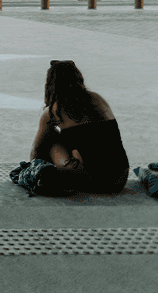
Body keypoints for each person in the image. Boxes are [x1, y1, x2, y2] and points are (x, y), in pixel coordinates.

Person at [29, 60, 129, 194]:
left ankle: (47, 173)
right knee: (84, 140)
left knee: (51, 138)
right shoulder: (97, 100)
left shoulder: (52, 112)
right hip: (119, 179)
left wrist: (33, 167)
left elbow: (37, 149)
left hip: (93, 182)